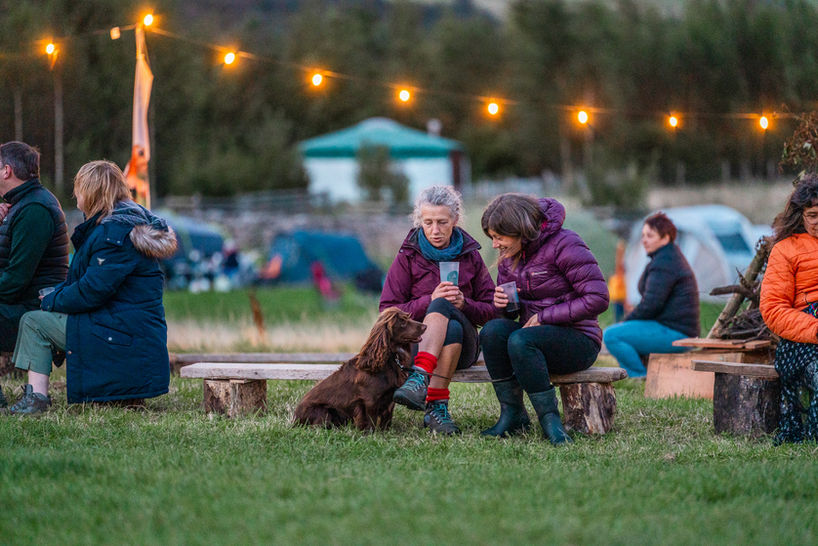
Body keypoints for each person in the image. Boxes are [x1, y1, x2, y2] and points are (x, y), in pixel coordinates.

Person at [6, 160, 177, 415]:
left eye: (79, 188)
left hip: (120, 334)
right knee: (42, 315)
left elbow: (90, 292)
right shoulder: (128, 222)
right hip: (128, 332)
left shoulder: (113, 233)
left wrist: (51, 300)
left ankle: (37, 400)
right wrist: (58, 294)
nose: (76, 195)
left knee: (33, 321)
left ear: (91, 192)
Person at [479, 194, 608, 445]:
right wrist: (503, 307)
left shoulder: (565, 243)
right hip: (533, 339)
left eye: (499, 237)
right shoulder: (509, 257)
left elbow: (598, 297)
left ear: (520, 230)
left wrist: (545, 316)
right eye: (492, 238)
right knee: (492, 332)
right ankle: (513, 414)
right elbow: (514, 315)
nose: (495, 245)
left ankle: (550, 420)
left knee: (520, 340)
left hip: (579, 339)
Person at [380, 185, 495, 434]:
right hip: (416, 345)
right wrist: (428, 300)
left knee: (446, 308)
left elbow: (492, 309)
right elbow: (387, 310)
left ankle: (420, 377)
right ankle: (437, 408)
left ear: (455, 219)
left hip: (464, 348)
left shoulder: (470, 255)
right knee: (445, 317)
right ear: (419, 220)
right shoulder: (408, 256)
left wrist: (465, 304)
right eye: (428, 221)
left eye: (442, 222)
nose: (435, 230)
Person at [0, 142, 69, 409]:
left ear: (6, 171)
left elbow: (17, 280)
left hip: (34, 309)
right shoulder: (20, 205)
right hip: (21, 302)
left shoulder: (34, 210)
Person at [602, 212, 699, 378]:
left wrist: (627, 320)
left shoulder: (665, 263)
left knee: (612, 335)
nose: (644, 240)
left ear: (665, 238)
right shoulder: (666, 257)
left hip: (676, 332)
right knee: (620, 332)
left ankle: (639, 376)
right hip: (674, 328)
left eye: (650, 235)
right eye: (643, 235)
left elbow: (651, 305)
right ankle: (641, 372)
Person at [760, 175, 818, 444]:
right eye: (814, 215)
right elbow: (773, 309)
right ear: (801, 215)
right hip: (802, 339)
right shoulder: (785, 250)